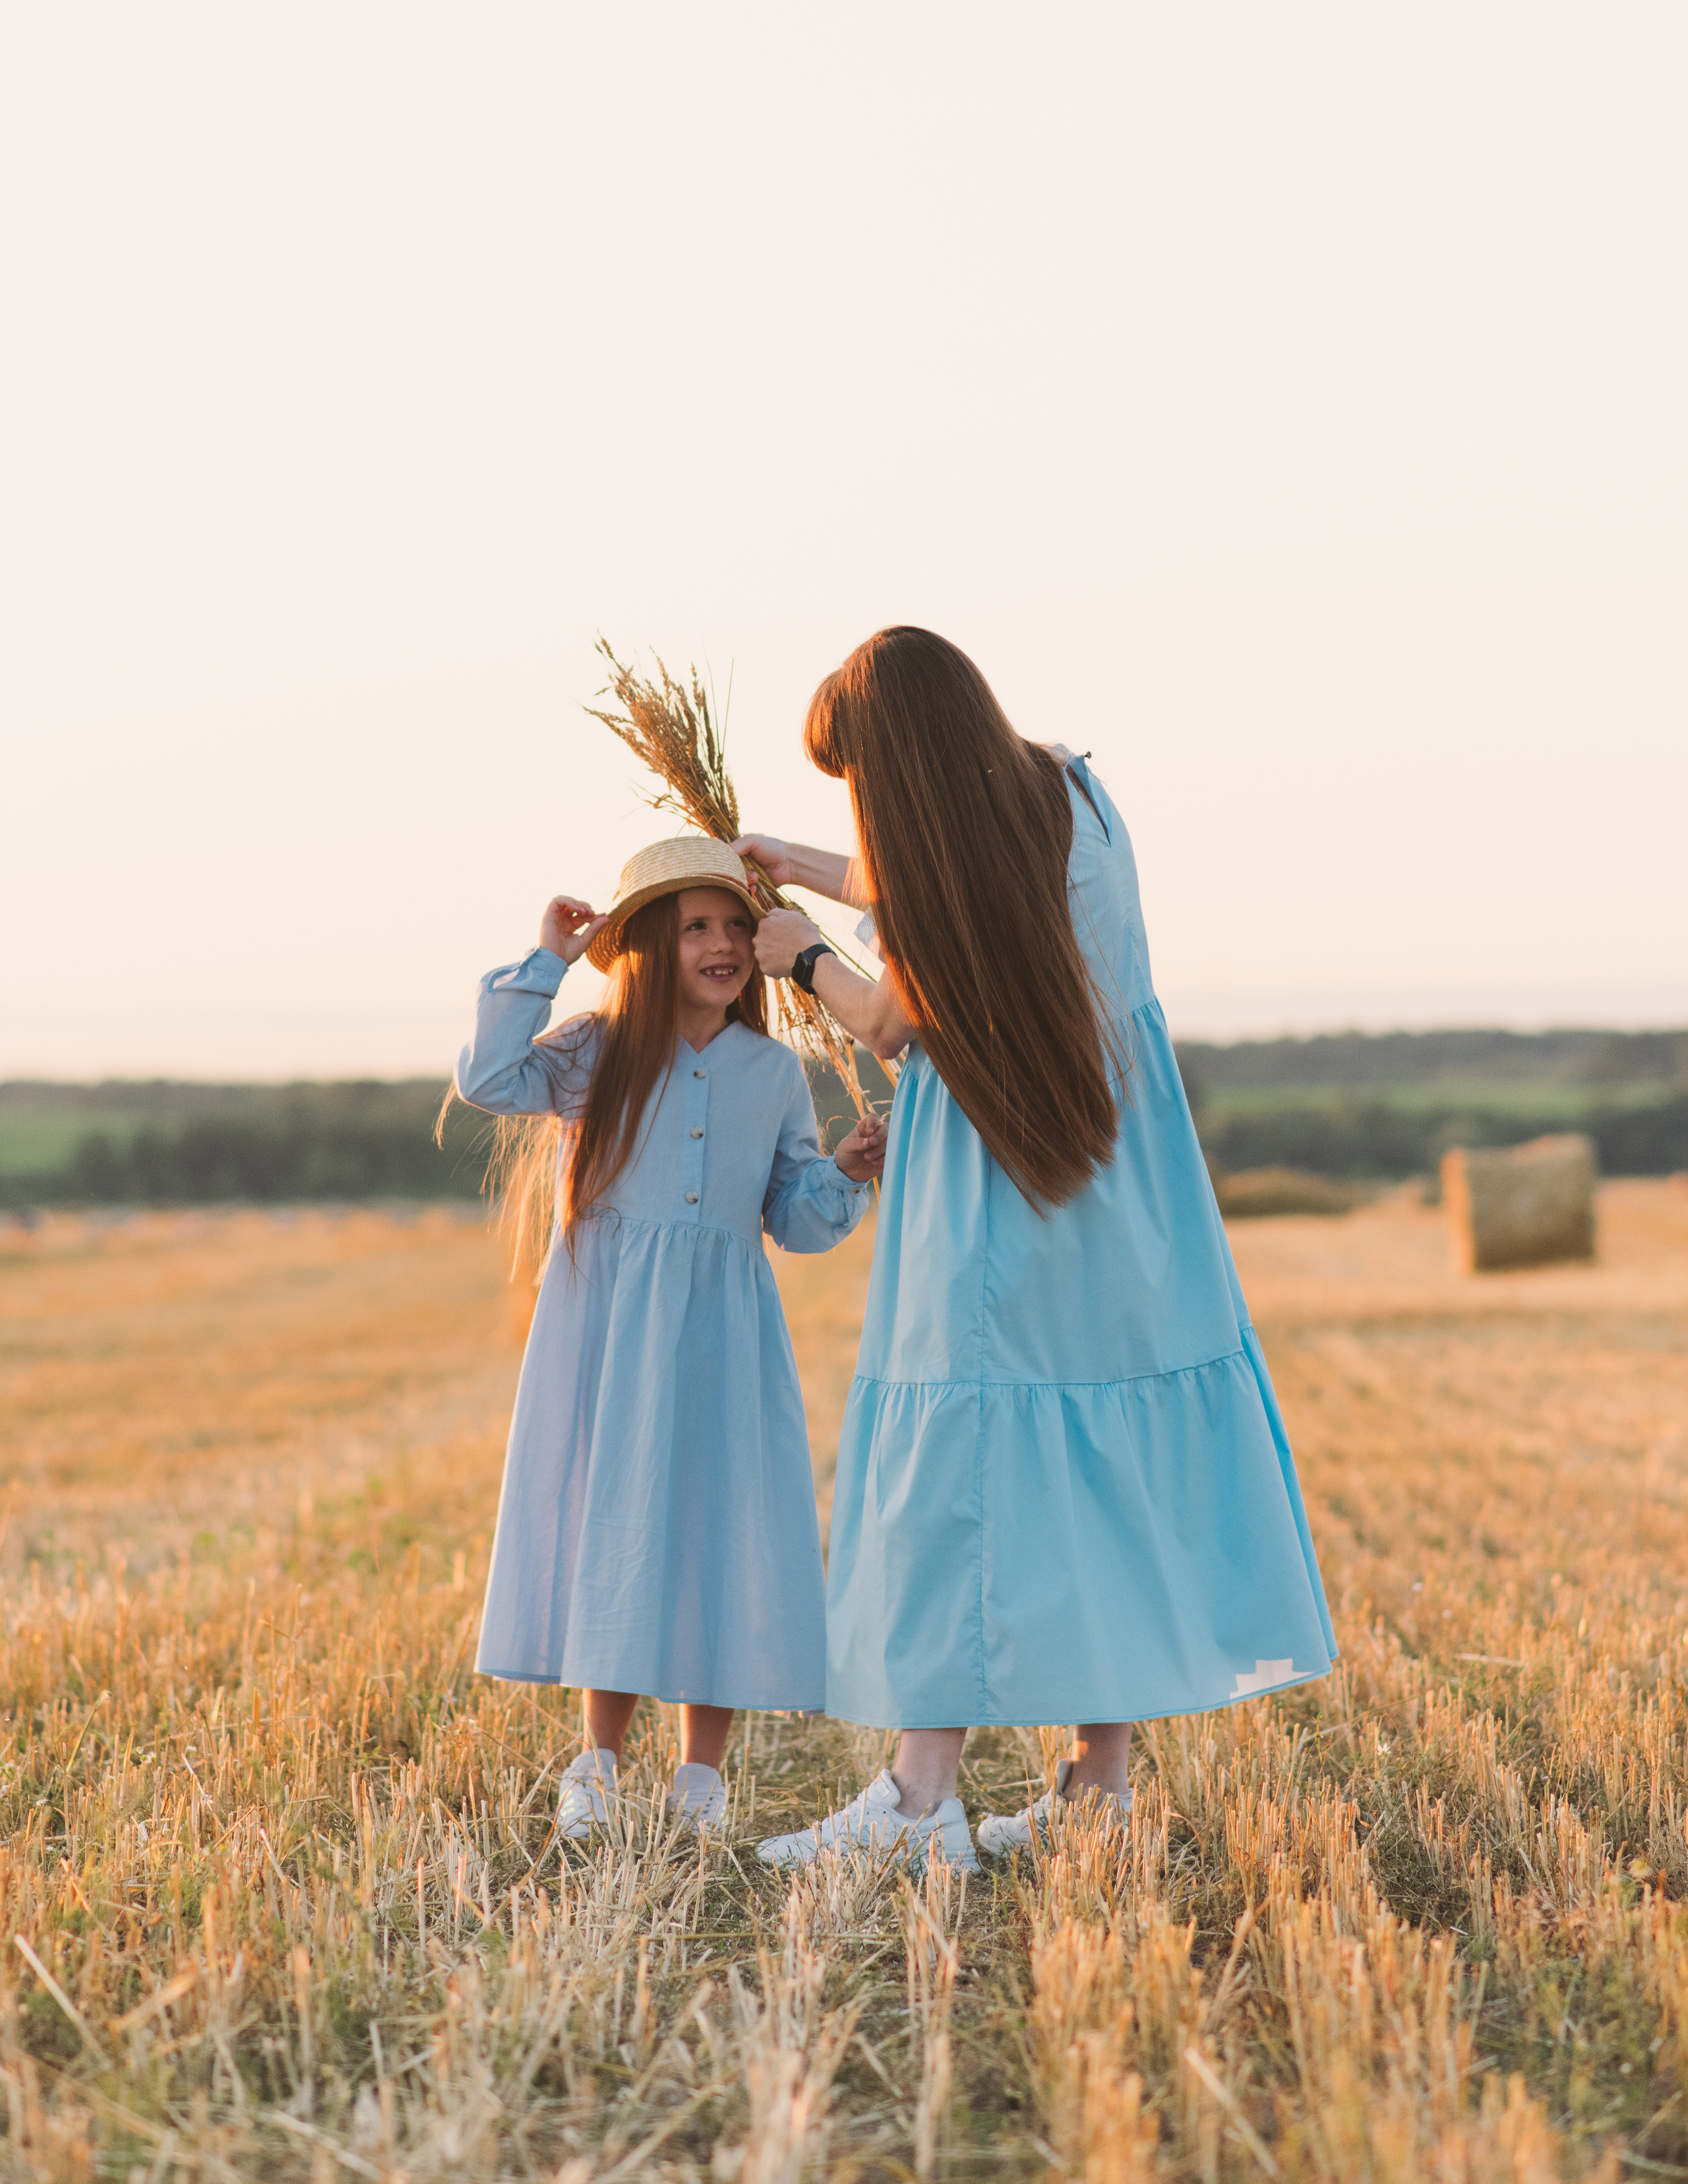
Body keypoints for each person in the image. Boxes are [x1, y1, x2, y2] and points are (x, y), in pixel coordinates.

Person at [740, 627, 1337, 1869]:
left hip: (1000, 1168)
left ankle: (918, 1805)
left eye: (859, 783)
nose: (862, 807)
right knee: (1097, 1466)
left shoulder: (964, 854)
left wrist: (797, 951)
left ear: (898, 765)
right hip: (1126, 1183)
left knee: (959, 1460)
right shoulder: (1071, 790)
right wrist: (799, 864)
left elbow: (900, 1019)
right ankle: (1098, 1792)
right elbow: (955, 878)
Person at [450, 837, 887, 1836]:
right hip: (607, 1330)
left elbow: (797, 1218)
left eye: (737, 924)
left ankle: (701, 1779)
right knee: (619, 1518)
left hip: (724, 1333)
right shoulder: (594, 1052)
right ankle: (597, 1765)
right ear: (650, 941)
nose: (724, 943)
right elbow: (486, 1076)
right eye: (697, 926)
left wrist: (849, 1169)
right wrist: (548, 959)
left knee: (718, 1523)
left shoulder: (772, 1073)